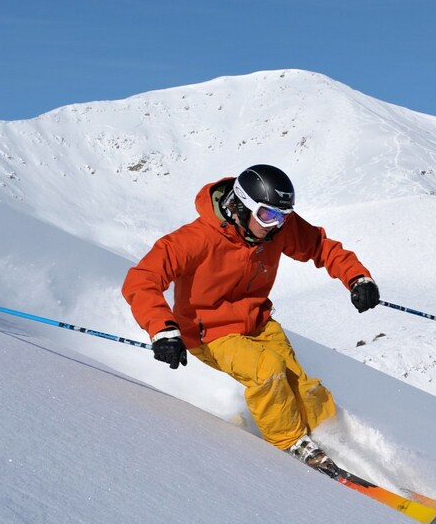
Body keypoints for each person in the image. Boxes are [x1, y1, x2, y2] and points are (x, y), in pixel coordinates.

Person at [122, 164, 380, 476]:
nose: (275, 226)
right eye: (268, 216)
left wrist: (357, 278)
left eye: (282, 217)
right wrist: (162, 330)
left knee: (301, 384)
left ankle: (337, 439)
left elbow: (320, 247)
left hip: (258, 322)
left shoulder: (277, 229)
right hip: (209, 333)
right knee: (267, 370)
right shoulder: (195, 239)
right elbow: (141, 281)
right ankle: (290, 443)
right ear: (240, 206)